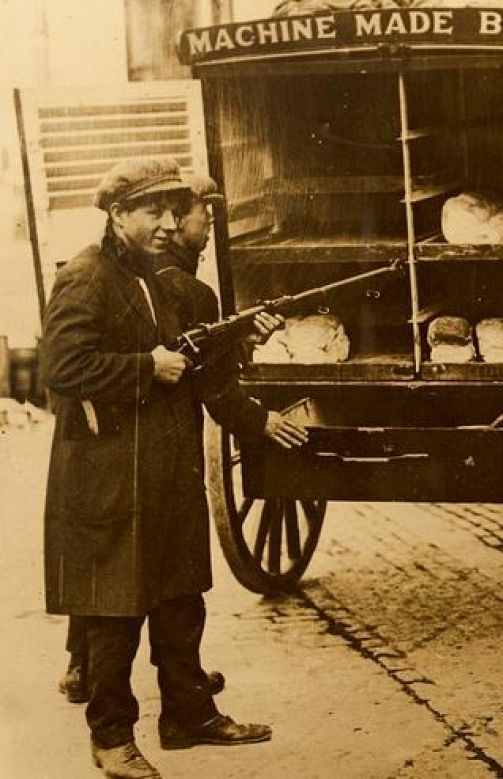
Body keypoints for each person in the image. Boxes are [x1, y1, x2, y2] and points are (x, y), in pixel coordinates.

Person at [41, 158, 303, 779]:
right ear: (117, 215)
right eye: (152, 211)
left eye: (172, 211)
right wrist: (144, 369)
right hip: (108, 475)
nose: (168, 224)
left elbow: (193, 364)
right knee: (115, 611)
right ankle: (111, 738)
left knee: (182, 596)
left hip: (162, 468)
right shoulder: (86, 277)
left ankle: (189, 715)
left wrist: (241, 341)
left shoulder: (150, 279)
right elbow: (61, 369)